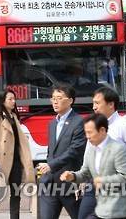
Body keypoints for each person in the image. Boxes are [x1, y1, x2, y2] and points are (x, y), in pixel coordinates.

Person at [77, 87, 126, 219]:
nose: (94, 107)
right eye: (93, 103)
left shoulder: (124, 125)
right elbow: (88, 153)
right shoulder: (93, 125)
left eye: (97, 103)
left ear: (111, 104)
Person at [60, 113, 126, 219]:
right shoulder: (91, 149)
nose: (87, 136)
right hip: (96, 197)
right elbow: (85, 173)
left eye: (90, 132)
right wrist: (72, 176)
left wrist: (103, 181)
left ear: (102, 130)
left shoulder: (118, 149)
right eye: (86, 133)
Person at [0, 89, 35, 219]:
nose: (13, 101)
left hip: (16, 161)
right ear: (3, 101)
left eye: (14, 99)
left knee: (16, 192)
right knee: (0, 191)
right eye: (10, 99)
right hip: (2, 160)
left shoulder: (14, 117)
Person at [37, 85, 86, 219]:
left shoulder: (79, 122)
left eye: (59, 98)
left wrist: (52, 165)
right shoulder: (52, 123)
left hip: (69, 182)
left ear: (70, 101)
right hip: (50, 183)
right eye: (53, 98)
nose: (55, 102)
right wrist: (47, 168)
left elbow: (75, 151)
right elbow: (50, 152)